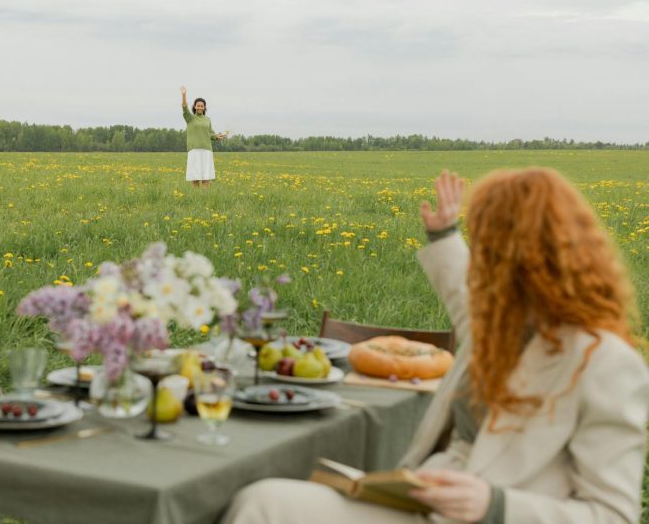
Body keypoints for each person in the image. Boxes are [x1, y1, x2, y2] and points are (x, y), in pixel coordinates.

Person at [222, 168, 649, 524]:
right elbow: (466, 301)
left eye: (491, 248)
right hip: (422, 500)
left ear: (535, 260)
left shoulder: (607, 363)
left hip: (482, 516)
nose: (481, 258)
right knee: (264, 503)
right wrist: (445, 234)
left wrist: (496, 506)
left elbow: (614, 513)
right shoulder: (501, 322)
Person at [180, 85, 228, 188]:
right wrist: (184, 94)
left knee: (206, 176)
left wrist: (218, 136)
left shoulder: (208, 119)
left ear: (204, 107)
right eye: (198, 105)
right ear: (195, 106)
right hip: (194, 150)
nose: (200, 107)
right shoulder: (190, 118)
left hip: (207, 150)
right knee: (195, 176)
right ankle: (196, 197)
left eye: (202, 106)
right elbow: (184, 107)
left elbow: (210, 133)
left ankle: (204, 197)